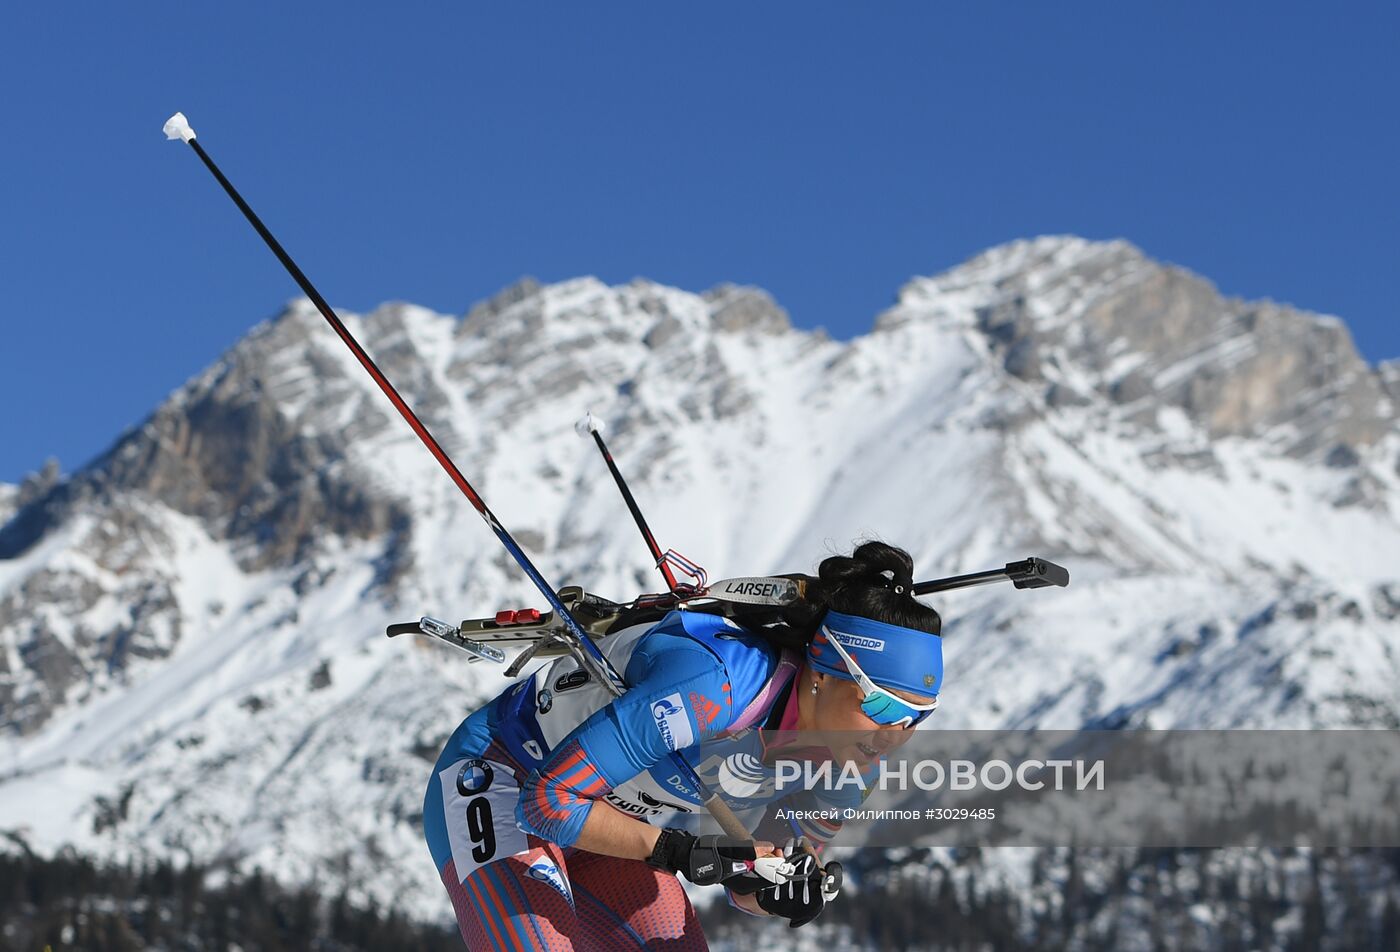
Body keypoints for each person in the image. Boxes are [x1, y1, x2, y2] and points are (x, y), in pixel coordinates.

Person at [422, 541, 944, 950]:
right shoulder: (715, 685)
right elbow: (548, 802)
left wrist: (780, 892)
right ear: (823, 674)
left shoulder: (851, 768)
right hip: (504, 783)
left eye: (916, 718)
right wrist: (680, 850)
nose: (891, 735)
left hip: (606, 828)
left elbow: (750, 876)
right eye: (881, 707)